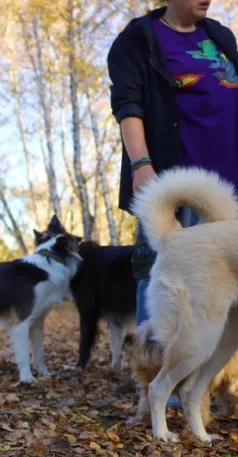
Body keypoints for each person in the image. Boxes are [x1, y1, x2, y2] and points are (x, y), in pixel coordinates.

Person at [108, 0, 238, 327]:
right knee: (165, 280)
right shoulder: (138, 38)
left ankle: (218, 375)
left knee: (225, 286)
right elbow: (128, 106)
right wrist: (141, 165)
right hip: (179, 186)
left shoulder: (219, 35)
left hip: (230, 188)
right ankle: (151, 372)